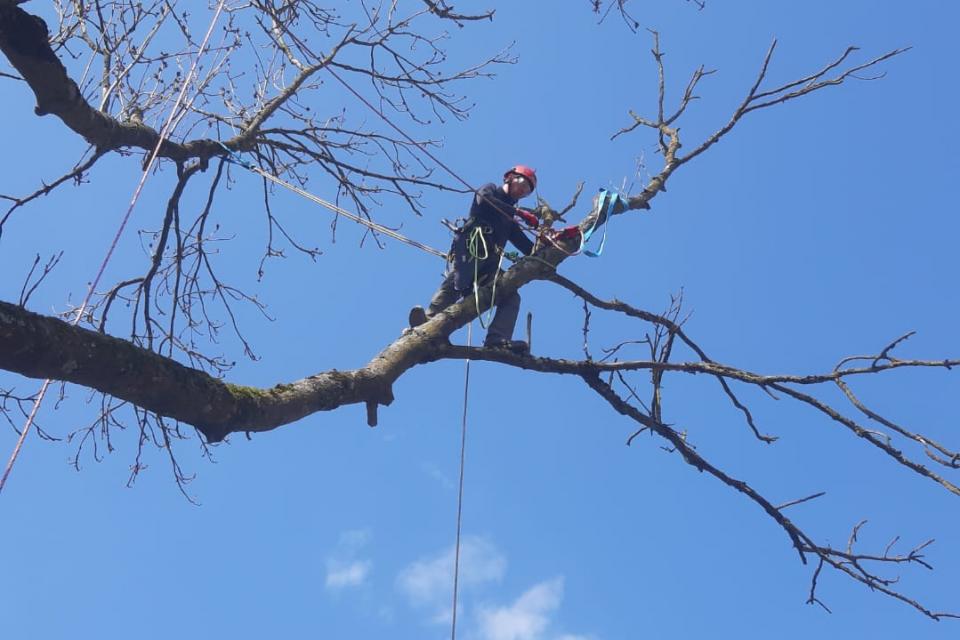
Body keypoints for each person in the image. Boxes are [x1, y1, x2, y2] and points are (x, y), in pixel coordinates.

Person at [408, 165, 540, 354]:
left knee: (511, 295)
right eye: (521, 183)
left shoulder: (509, 217)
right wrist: (520, 213)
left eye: (527, 190)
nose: (522, 190)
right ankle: (427, 321)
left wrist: (546, 243)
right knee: (457, 281)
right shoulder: (491, 189)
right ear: (509, 177)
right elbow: (484, 200)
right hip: (473, 247)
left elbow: (526, 246)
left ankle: (498, 339)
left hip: (490, 265)